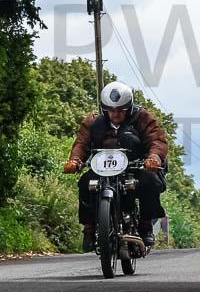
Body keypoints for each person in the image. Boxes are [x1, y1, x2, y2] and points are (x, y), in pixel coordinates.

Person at [63, 81, 168, 252]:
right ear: (105, 109)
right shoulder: (93, 122)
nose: (116, 114)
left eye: (121, 110)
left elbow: (157, 140)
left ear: (128, 107)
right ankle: (89, 229)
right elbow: (81, 144)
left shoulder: (142, 117)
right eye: (111, 110)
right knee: (85, 183)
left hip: (135, 167)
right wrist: (74, 161)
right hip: (102, 169)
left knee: (150, 182)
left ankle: (145, 225)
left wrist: (153, 158)